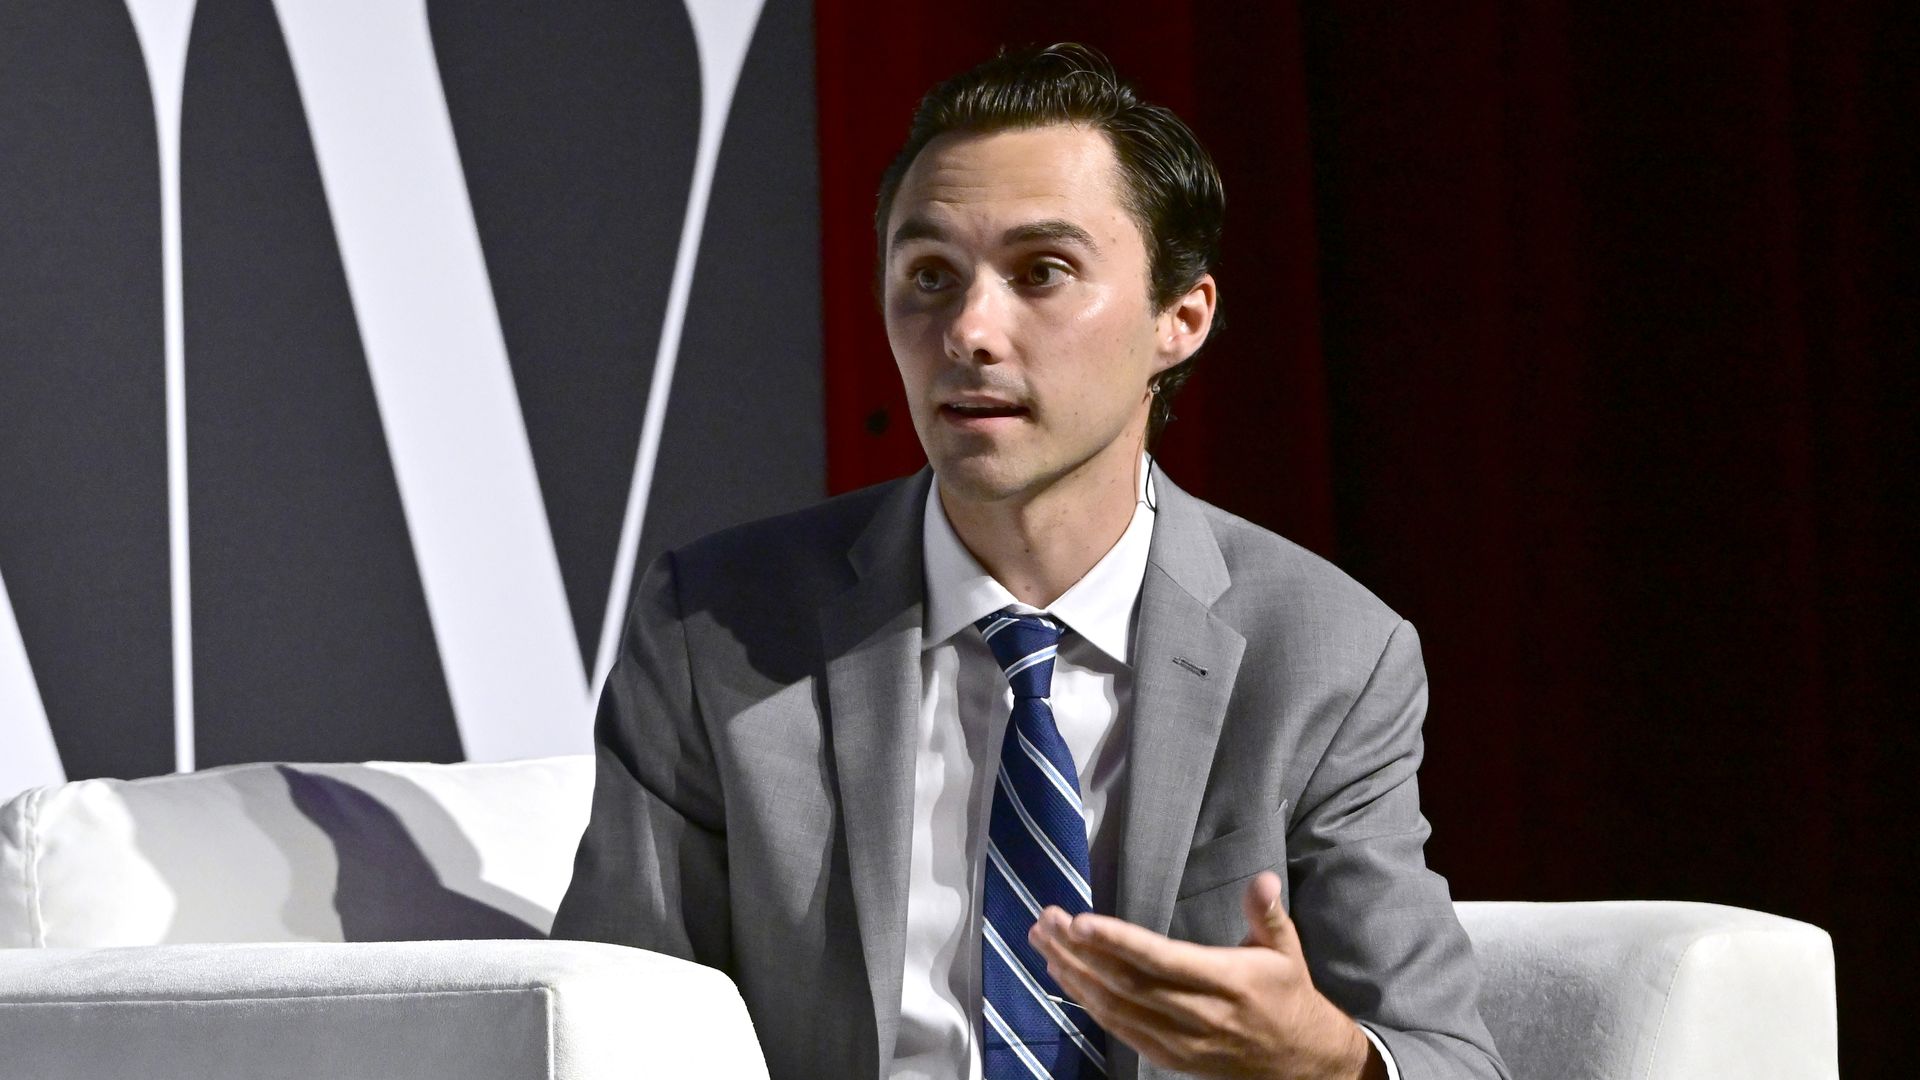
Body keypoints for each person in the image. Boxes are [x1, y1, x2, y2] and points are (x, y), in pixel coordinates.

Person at [553, 43, 1508, 1080]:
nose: (968, 330)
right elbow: (618, 1024)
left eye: (1041, 272)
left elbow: (1449, 1058)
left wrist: (1325, 1059)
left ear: (1180, 319)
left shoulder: (1326, 655)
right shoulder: (715, 628)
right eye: (929, 276)